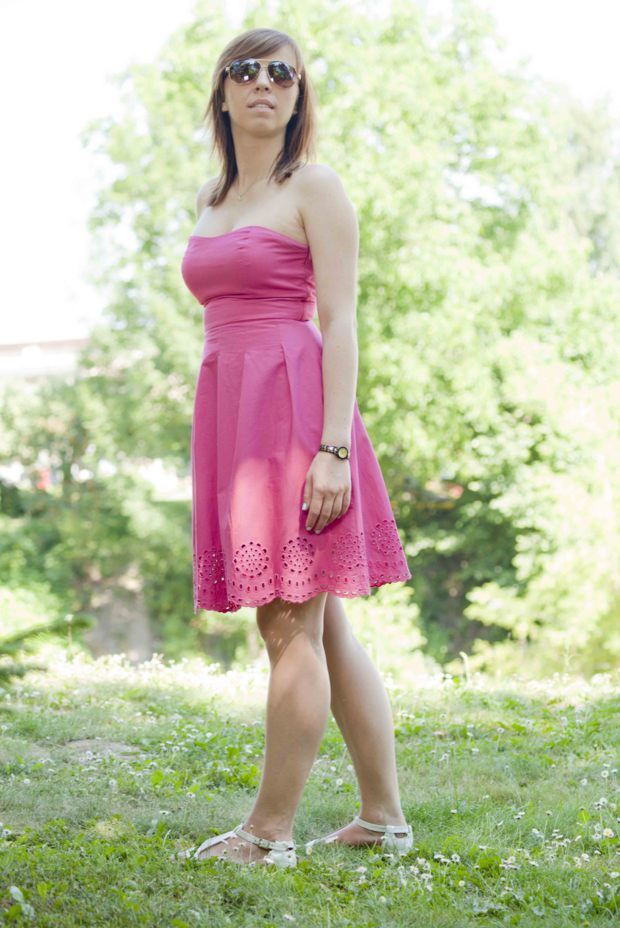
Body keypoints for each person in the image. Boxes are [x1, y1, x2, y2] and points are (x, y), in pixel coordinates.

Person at [178, 27, 413, 868]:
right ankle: (384, 820)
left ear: (299, 93)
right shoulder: (211, 197)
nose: (264, 84)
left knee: (288, 626)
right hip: (233, 411)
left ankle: (269, 833)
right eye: (246, 70)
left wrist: (333, 449)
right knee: (324, 627)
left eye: (283, 73)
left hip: (295, 417)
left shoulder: (313, 184)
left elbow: (340, 321)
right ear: (222, 90)